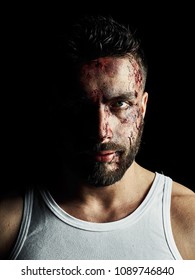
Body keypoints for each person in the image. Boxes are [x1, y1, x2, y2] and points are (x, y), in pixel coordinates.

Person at [0, 14, 195, 260]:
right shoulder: (9, 222)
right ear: (56, 108)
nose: (101, 131)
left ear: (143, 107)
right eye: (80, 106)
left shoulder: (188, 218)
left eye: (120, 103)